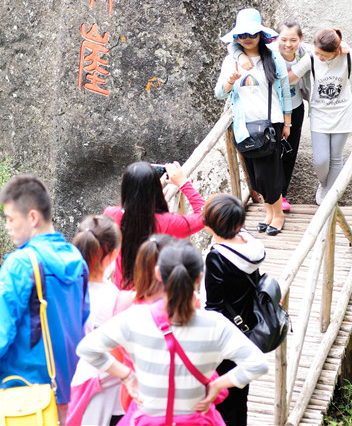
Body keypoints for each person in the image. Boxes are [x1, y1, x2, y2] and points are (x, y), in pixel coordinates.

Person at [76, 241, 269, 422]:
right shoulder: (216, 325)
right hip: (195, 420)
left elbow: (87, 349)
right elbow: (258, 364)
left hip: (147, 421)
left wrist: (128, 376)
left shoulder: (135, 317)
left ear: (158, 274)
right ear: (199, 277)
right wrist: (217, 385)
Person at [0, 175, 89, 425]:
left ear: (32, 217)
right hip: (67, 395)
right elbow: (83, 322)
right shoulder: (76, 259)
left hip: (21, 396)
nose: (7, 226)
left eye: (10, 219)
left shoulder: (19, 264)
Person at [216, 8, 292, 235]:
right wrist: (230, 81)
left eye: (252, 34)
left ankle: (278, 216)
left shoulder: (273, 57)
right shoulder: (231, 61)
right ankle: (269, 214)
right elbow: (219, 92)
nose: (247, 38)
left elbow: (285, 91)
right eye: (242, 35)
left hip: (271, 123)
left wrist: (287, 123)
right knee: (256, 175)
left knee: (269, 174)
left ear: (260, 34)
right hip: (244, 125)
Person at [288, 29, 352, 205]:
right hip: (319, 113)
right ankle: (324, 184)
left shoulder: (347, 55)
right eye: (317, 52)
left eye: (324, 55)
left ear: (336, 51)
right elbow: (290, 78)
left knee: (336, 158)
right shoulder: (311, 57)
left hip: (342, 113)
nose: (319, 57)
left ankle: (329, 199)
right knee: (321, 160)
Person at [231, 19, 312, 212]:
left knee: (289, 152)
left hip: (295, 108)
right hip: (274, 112)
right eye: (284, 39)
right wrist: (240, 55)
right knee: (272, 154)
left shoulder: (304, 52)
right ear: (276, 39)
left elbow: (325, 46)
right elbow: (233, 45)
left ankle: (282, 194)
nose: (288, 44)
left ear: (300, 39)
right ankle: (274, 197)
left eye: (293, 40)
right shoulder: (269, 51)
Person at [202, 194, 267, 426]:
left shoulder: (217, 258)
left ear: (210, 226)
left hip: (225, 335)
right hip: (248, 326)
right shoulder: (249, 245)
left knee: (224, 399)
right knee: (240, 392)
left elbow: (214, 307)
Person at [103, 161, 205, 290]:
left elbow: (132, 212)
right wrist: (183, 183)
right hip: (156, 294)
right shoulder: (168, 222)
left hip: (124, 292)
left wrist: (145, 199)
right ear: (155, 191)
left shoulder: (111, 214)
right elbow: (205, 216)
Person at [68, 215, 124, 426]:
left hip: (66, 382)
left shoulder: (62, 288)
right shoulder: (112, 296)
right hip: (102, 388)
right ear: (114, 254)